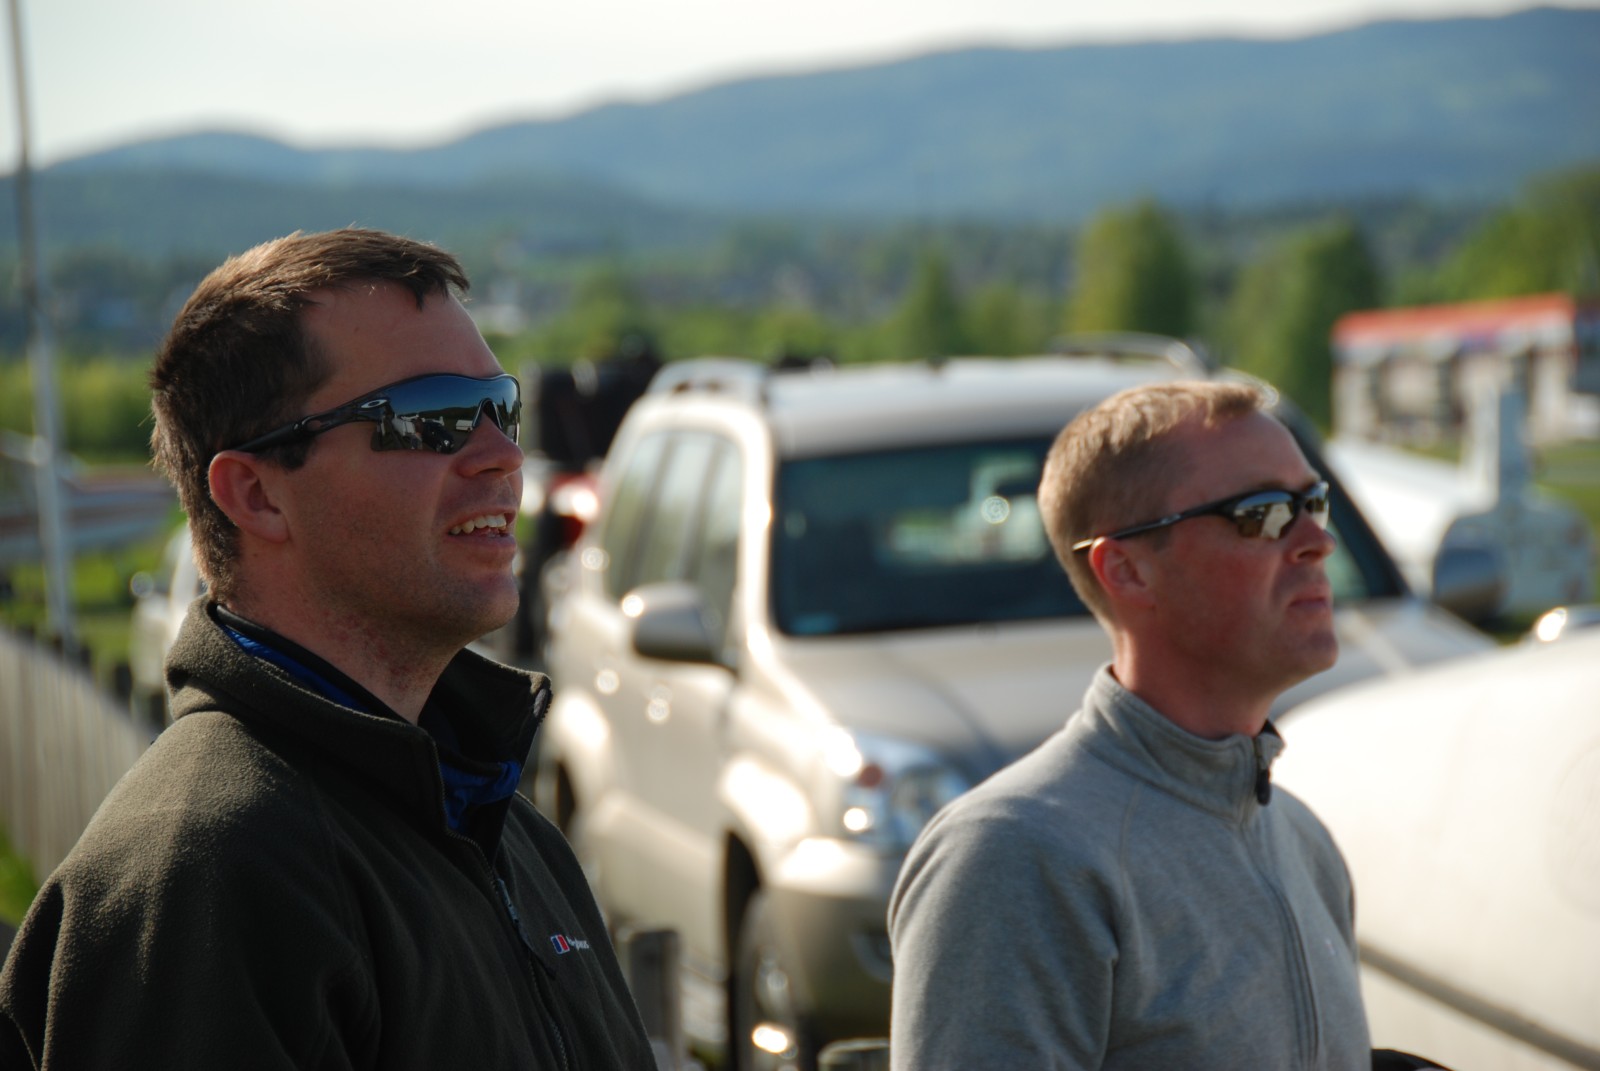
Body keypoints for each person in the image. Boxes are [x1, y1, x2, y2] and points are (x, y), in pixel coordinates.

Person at [0, 228, 657, 1068]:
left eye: (502, 406)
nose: (503, 456)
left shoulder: (500, 826)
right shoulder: (206, 874)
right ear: (256, 494)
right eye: (433, 418)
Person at [887, 380, 1371, 1069]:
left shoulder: (1304, 842)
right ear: (1127, 570)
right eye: (1262, 514)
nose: (1318, 541)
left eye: (1313, 502)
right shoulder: (1012, 855)